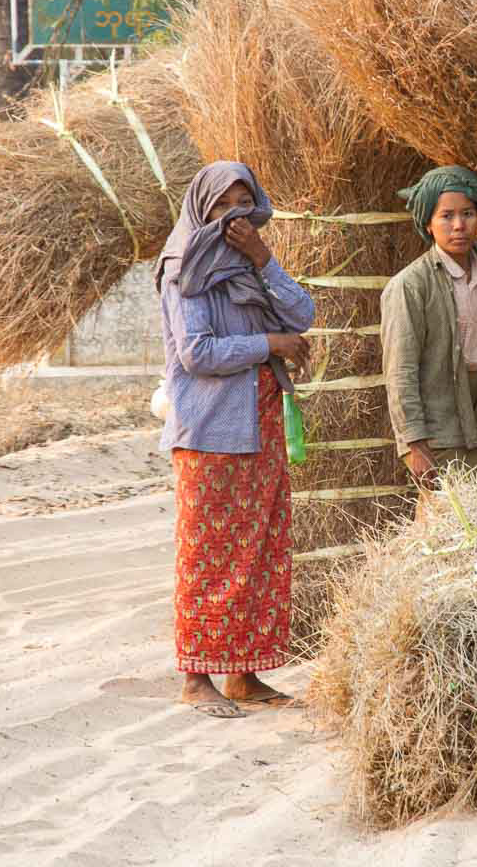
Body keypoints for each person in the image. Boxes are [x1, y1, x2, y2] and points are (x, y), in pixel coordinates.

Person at [154, 161, 315, 719]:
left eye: (243, 206)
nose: (232, 219)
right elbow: (197, 353)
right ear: (201, 209)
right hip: (210, 430)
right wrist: (268, 342)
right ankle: (196, 677)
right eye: (221, 207)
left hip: (261, 423)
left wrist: (263, 258)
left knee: (259, 551)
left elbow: (303, 312)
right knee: (207, 554)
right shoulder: (184, 270)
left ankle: (243, 674)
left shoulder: (251, 267)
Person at [380, 166, 477, 489]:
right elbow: (400, 371)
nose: (459, 225)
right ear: (428, 224)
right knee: (443, 524)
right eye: (446, 216)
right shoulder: (410, 286)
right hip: (439, 427)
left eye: (468, 214)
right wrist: (414, 444)